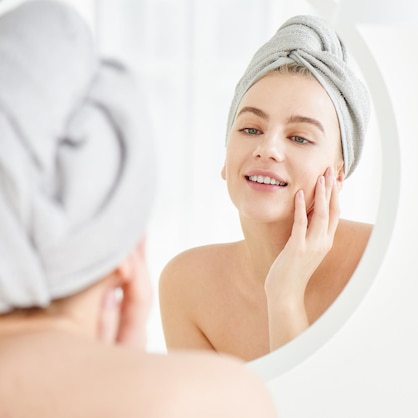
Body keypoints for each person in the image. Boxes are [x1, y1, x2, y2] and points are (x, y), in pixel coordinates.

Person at [0, 2, 276, 417]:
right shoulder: (218, 397)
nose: (268, 150)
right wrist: (130, 363)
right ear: (124, 253)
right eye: (250, 128)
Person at [159, 15, 372, 361]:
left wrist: (285, 296)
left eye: (300, 137)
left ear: (337, 173)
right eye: (250, 129)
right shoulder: (186, 285)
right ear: (226, 157)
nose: (267, 148)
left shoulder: (375, 264)